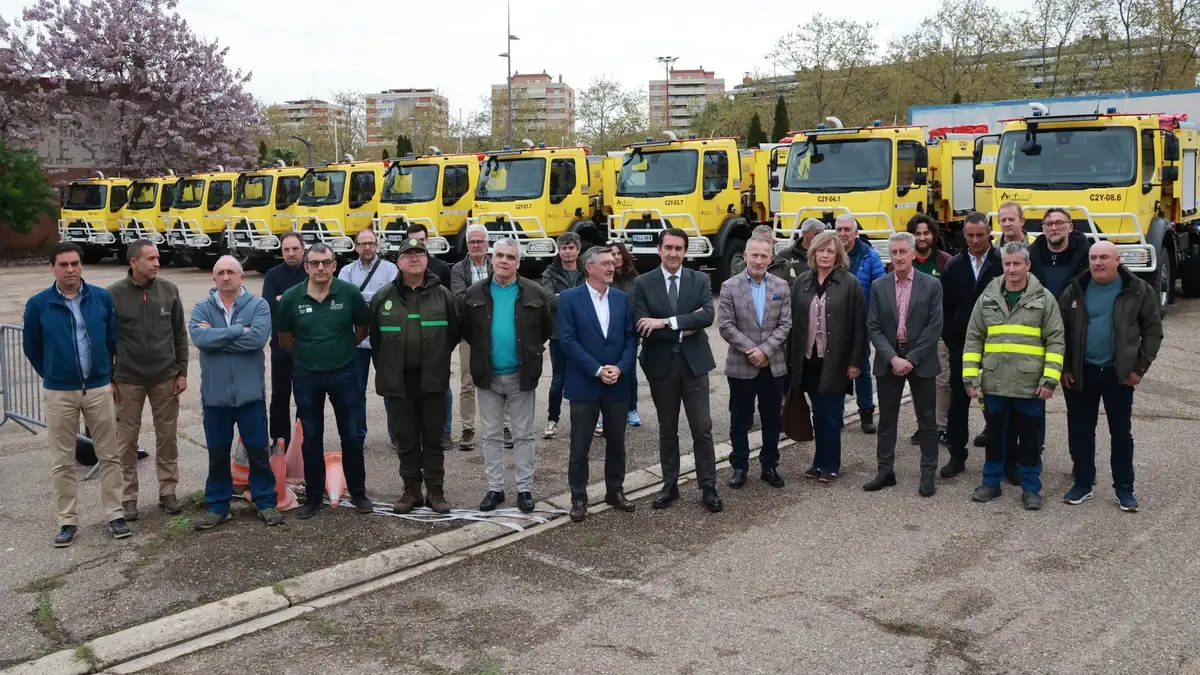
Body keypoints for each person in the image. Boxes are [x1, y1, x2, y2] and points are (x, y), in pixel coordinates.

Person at [23, 242, 129, 547]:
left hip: (97, 388)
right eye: (63, 265)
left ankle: (115, 514)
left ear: (81, 266)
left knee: (109, 455)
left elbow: (111, 337)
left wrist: (103, 374)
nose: (70, 270)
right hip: (60, 393)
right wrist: (53, 373)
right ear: (53, 268)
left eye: (75, 264)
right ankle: (67, 521)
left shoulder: (101, 298)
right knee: (63, 460)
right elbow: (32, 345)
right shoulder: (38, 304)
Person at [1058, 241, 1162, 512]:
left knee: (1121, 433)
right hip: (1082, 372)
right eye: (1093, 257)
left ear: (1118, 260)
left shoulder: (1138, 290)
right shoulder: (1076, 289)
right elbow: (1060, 332)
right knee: (1081, 431)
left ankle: (1124, 489)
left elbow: (1152, 332)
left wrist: (1139, 368)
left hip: (1120, 375)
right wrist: (1066, 367)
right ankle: (1082, 483)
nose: (1098, 263)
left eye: (1105, 257)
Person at [963, 241, 1065, 510]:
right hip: (995, 383)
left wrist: (1050, 379)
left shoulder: (1044, 299)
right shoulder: (987, 298)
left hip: (1030, 386)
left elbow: (1055, 341)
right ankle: (991, 483)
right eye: (1007, 264)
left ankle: (1031, 489)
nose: (1011, 269)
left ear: (1027, 265)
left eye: (1016, 263)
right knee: (995, 438)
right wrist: (971, 379)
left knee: (1030, 441)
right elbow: (973, 339)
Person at [277, 243, 374, 519]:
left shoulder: (349, 293)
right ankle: (314, 496)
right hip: (306, 375)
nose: (321, 268)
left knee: (352, 436)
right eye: (315, 263)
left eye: (326, 262)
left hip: (344, 372)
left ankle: (358, 492)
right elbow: (285, 339)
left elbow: (362, 329)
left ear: (334, 265)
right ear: (306, 267)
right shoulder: (292, 298)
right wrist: (308, 355)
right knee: (311, 438)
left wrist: (341, 350)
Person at [632, 228, 723, 512]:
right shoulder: (643, 283)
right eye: (668, 248)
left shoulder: (699, 280)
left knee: (702, 428)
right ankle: (669, 484)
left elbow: (707, 315)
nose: (673, 254)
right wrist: (687, 324)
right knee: (667, 429)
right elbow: (641, 323)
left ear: (685, 251)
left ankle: (708, 486)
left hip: (694, 366)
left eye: (679, 248)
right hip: (661, 366)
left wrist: (665, 322)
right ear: (659, 249)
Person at [461, 238, 553, 513]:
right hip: (487, 377)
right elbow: (467, 330)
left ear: (518, 263)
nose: (504, 261)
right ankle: (495, 488)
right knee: (491, 435)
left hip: (520, 375)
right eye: (499, 255)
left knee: (524, 434)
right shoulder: (475, 292)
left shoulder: (534, 292)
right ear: (491, 258)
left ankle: (524, 489)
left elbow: (545, 328)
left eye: (510, 257)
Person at [188, 256, 280, 529]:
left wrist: (218, 337)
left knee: (258, 454)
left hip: (250, 396)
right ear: (213, 279)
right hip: (215, 398)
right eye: (220, 273)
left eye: (231, 272)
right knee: (217, 456)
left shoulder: (259, 305)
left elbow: (258, 339)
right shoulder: (202, 307)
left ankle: (265, 501)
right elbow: (200, 340)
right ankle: (217, 506)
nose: (226, 277)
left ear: (242, 277)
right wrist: (239, 330)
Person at [369, 237, 460, 515]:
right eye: (408, 254)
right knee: (406, 439)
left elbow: (453, 334)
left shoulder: (443, 294)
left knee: (433, 437)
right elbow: (376, 339)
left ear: (427, 259)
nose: (414, 258)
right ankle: (411, 491)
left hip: (432, 379)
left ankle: (435, 491)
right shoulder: (383, 297)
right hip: (399, 382)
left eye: (419, 253)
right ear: (399, 262)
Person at [108, 239, 188, 521]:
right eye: (150, 258)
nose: (157, 263)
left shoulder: (169, 291)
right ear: (133, 262)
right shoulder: (114, 295)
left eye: (157, 258)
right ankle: (128, 498)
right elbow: (106, 340)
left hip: (166, 377)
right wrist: (110, 378)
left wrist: (183, 371)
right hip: (128, 380)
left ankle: (168, 491)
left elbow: (179, 334)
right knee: (126, 441)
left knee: (167, 438)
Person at [558, 246, 638, 522]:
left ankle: (614, 490)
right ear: (589, 268)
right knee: (580, 446)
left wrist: (620, 367)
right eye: (605, 263)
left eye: (612, 263)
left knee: (617, 443)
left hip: (617, 382)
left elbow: (630, 338)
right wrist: (596, 369)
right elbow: (567, 341)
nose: (611, 267)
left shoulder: (621, 299)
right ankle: (579, 497)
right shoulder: (570, 299)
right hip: (585, 383)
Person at [863, 232, 944, 497]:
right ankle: (885, 471)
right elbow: (873, 326)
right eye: (894, 252)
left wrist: (911, 359)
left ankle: (928, 474)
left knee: (927, 421)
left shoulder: (931, 285)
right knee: (886, 420)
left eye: (902, 252)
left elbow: (934, 327)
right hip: (890, 360)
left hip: (920, 360)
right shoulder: (879, 286)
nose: (898, 257)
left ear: (912, 254)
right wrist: (893, 358)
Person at [788, 232, 866, 483]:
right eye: (820, 250)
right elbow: (791, 323)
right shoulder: (802, 282)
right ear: (812, 253)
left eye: (829, 251)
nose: (824, 255)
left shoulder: (850, 283)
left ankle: (830, 465)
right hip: (807, 360)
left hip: (836, 362)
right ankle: (818, 462)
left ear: (838, 256)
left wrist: (855, 362)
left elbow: (859, 326)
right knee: (816, 414)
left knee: (830, 414)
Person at [718, 237, 792, 489]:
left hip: (773, 365)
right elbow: (726, 326)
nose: (759, 260)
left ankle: (770, 465)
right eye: (755, 255)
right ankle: (739, 466)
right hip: (741, 363)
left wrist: (766, 351)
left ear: (771, 258)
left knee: (772, 419)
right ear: (745, 256)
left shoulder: (782, 286)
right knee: (739, 419)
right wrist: (753, 350)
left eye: (764, 256)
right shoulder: (729, 286)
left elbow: (785, 325)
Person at [939, 212, 1003, 478]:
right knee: (958, 402)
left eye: (980, 234)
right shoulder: (954, 265)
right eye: (970, 235)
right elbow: (945, 306)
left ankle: (1002, 458)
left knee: (996, 402)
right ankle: (957, 455)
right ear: (964, 235)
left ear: (989, 232)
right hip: (962, 345)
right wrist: (951, 337)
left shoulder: (1002, 263)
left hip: (997, 346)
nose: (975, 240)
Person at [336, 229, 398, 444]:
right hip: (356, 340)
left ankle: (396, 434)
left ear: (377, 244)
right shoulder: (346, 271)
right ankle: (358, 435)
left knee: (391, 388)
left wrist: (359, 295)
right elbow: (345, 298)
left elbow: (393, 298)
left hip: (385, 341)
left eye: (371, 243)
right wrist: (376, 298)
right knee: (355, 391)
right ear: (356, 247)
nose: (367, 247)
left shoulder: (391, 269)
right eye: (363, 243)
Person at [405, 222, 455, 447]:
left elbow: (450, 311)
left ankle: (445, 431)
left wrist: (445, 345)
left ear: (428, 241)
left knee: (442, 388)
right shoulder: (403, 266)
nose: (417, 250)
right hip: (411, 344)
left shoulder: (442, 268)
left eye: (422, 241)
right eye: (413, 241)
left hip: (437, 343)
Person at [836, 214, 886, 434]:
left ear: (856, 233)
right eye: (839, 230)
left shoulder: (869, 256)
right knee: (836, 370)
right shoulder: (830, 254)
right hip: (834, 323)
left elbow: (880, 288)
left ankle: (866, 414)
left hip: (862, 323)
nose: (843, 234)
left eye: (847, 229)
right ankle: (836, 415)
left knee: (862, 367)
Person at [906, 214, 952, 446]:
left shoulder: (945, 261)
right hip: (913, 334)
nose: (922, 238)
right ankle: (924, 425)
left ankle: (941, 426)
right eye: (917, 233)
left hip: (940, 331)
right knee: (917, 382)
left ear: (933, 235)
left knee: (941, 381)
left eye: (926, 233)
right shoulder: (905, 261)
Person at [262, 231, 307, 451]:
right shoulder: (272, 275)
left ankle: (302, 438)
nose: (291, 253)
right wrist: (297, 302)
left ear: (303, 249)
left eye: (295, 249)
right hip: (280, 343)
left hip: (307, 345)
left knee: (305, 394)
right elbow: (269, 305)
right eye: (286, 249)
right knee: (280, 393)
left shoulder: (311, 272)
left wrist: (284, 299)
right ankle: (279, 440)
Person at [449, 224, 492, 451]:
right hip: (469, 333)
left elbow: (509, 292)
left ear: (487, 243)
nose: (476, 245)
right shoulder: (458, 269)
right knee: (467, 383)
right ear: (467, 245)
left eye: (480, 241)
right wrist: (488, 295)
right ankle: (467, 429)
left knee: (500, 379)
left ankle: (502, 427)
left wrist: (474, 296)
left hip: (497, 331)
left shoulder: (498, 263)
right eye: (472, 242)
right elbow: (459, 299)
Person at [540, 232, 586, 439]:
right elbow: (548, 299)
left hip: (586, 333)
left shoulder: (587, 270)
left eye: (571, 248)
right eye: (564, 248)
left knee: (587, 376)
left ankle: (586, 420)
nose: (567, 251)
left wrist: (564, 298)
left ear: (578, 250)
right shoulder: (549, 273)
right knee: (558, 380)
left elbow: (594, 294)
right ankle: (552, 420)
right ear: (559, 250)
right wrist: (577, 298)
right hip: (559, 335)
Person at [609, 240, 642, 426]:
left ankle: (632, 409)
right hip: (609, 333)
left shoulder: (636, 280)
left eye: (618, 253)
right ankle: (606, 412)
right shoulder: (606, 278)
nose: (616, 257)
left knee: (630, 373)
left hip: (630, 332)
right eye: (612, 254)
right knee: (608, 371)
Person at [1030, 207, 1091, 299]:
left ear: (1070, 227)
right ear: (1043, 229)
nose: (1054, 228)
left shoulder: (1086, 256)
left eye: (1059, 223)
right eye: (1049, 224)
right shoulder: (1030, 256)